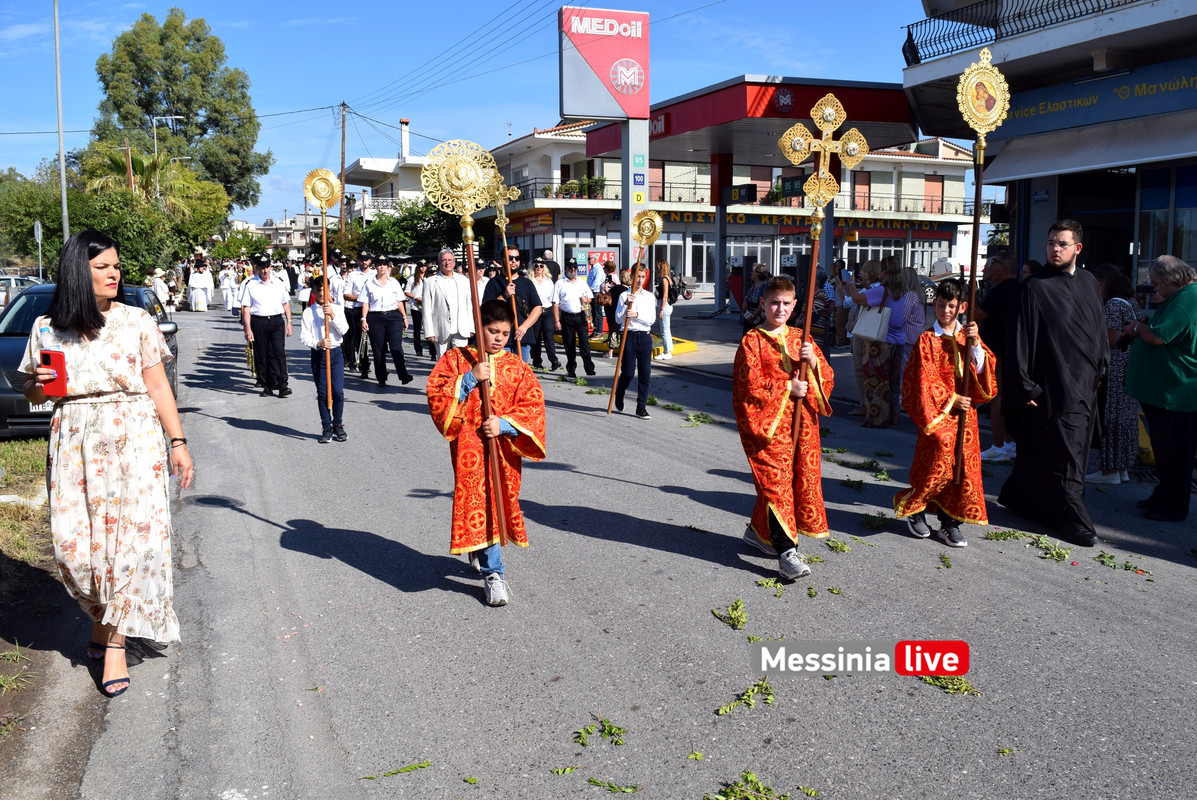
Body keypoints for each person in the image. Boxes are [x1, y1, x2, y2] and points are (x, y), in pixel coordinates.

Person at [21, 230, 193, 697]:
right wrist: (36, 382)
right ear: (79, 271)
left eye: (116, 265)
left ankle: (115, 643)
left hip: (134, 437)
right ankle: (103, 623)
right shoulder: (45, 328)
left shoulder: (137, 321)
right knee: (74, 550)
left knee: (130, 545)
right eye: (103, 267)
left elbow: (158, 387)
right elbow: (38, 393)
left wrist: (177, 441)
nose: (114, 273)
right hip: (74, 441)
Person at [426, 299, 547, 606]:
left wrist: (505, 425)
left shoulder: (517, 367)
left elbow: (533, 408)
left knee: (499, 502)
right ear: (479, 328)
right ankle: (495, 574)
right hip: (468, 449)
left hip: (504, 452)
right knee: (482, 504)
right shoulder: (457, 358)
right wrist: (469, 379)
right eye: (492, 331)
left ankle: (479, 548)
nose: (497, 338)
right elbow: (437, 393)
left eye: (504, 333)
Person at [999, 220, 1108, 546]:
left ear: (1077, 248)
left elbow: (1098, 328)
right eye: (1050, 243)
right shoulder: (1035, 287)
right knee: (1065, 453)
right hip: (1049, 385)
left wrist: (1102, 367)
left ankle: (1024, 501)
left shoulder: (1088, 282)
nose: (1054, 249)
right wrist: (1022, 386)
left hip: (1085, 385)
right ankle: (1072, 519)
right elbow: (1017, 340)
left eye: (1062, 243)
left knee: (1055, 450)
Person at [732, 276, 835, 581]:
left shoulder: (802, 338)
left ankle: (757, 533)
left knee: (793, 482)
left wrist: (814, 362)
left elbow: (827, 380)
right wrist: (787, 386)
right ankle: (786, 552)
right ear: (763, 303)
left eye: (786, 303)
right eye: (773, 302)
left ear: (794, 305)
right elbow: (748, 387)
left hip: (802, 425)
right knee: (776, 485)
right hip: (768, 428)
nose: (779, 308)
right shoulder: (752, 340)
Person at [893, 279, 996, 547]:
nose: (945, 311)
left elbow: (985, 370)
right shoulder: (927, 340)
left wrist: (975, 346)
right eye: (940, 305)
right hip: (936, 414)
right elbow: (921, 379)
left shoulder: (968, 336)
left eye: (951, 306)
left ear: (962, 306)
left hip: (966, 417)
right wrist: (952, 398)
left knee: (962, 470)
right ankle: (915, 507)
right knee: (936, 460)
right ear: (934, 304)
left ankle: (950, 521)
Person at [1121, 255, 1197, 522]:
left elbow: (1158, 336)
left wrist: (1137, 327)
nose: (1154, 289)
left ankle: (1173, 505)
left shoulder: (1188, 299)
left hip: (1175, 392)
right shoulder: (1181, 297)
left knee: (1175, 452)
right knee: (1165, 450)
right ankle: (1164, 494)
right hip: (1165, 390)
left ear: (1169, 279)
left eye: (1155, 283)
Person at [1087, 263, 1141, 484]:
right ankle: (1121, 468)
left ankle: (1109, 470)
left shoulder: (1112, 305)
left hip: (1115, 368)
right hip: (1129, 368)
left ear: (1103, 282)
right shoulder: (1131, 302)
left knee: (1110, 418)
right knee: (1126, 419)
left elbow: (1112, 341)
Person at [845, 256, 907, 428]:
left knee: (875, 380)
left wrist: (850, 283)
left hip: (881, 341)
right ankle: (892, 416)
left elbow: (857, 299)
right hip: (898, 341)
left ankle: (877, 418)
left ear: (884, 271)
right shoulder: (900, 290)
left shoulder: (881, 290)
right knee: (893, 382)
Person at [975, 251, 1020, 462]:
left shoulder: (1001, 292)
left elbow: (976, 315)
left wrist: (969, 297)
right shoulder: (1018, 290)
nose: (987, 269)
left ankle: (999, 445)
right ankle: (1009, 442)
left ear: (1003, 268)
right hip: (1010, 351)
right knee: (1005, 398)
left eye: (992, 264)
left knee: (997, 398)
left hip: (998, 353)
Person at [300, 275, 350, 443]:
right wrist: (318, 343)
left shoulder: (337, 308)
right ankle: (326, 427)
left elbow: (344, 331)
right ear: (313, 292)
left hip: (335, 354)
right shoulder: (308, 312)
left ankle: (338, 425)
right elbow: (304, 337)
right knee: (322, 393)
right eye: (318, 290)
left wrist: (333, 316)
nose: (322, 293)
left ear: (329, 290)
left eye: (324, 289)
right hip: (319, 355)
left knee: (337, 391)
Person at [240, 253, 293, 397]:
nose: (265, 270)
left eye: (267, 267)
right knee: (262, 355)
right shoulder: (251, 284)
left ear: (271, 267)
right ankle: (268, 385)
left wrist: (289, 322)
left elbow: (286, 303)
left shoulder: (278, 283)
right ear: (257, 268)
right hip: (259, 322)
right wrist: (248, 329)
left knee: (279, 353)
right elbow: (246, 308)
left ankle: (283, 385)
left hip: (276, 321)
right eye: (262, 267)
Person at [482, 246, 542, 363]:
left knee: (518, 376)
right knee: (502, 376)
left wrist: (524, 327)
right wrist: (504, 296)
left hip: (521, 339)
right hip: (500, 340)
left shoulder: (527, 283)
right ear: (501, 261)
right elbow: (487, 310)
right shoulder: (493, 283)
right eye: (510, 258)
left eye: (517, 258)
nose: (514, 261)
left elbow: (538, 308)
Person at [360, 258, 414, 388]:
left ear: (388, 267)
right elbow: (365, 303)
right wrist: (363, 319)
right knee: (379, 349)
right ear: (375, 267)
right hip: (376, 317)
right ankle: (381, 376)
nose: (382, 267)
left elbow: (400, 301)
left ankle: (403, 374)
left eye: (384, 264)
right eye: (379, 265)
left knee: (396, 347)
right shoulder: (369, 283)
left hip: (393, 317)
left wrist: (404, 317)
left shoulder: (393, 282)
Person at [614, 265, 656, 419]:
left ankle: (641, 406)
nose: (640, 280)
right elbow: (618, 319)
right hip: (628, 336)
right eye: (637, 276)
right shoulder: (624, 295)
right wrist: (626, 306)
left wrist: (637, 314)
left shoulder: (649, 296)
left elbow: (651, 319)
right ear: (632, 277)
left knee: (645, 374)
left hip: (644, 336)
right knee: (629, 372)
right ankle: (620, 390)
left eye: (642, 277)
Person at [422, 248, 476, 360]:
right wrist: (429, 332)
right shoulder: (430, 282)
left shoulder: (463, 280)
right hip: (440, 329)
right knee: (443, 363)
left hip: (460, 328)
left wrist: (471, 327)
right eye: (444, 260)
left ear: (454, 263)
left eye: (450, 260)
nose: (447, 263)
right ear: (439, 263)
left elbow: (468, 305)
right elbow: (426, 309)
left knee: (462, 361)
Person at [551, 261, 596, 379]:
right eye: (570, 268)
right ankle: (571, 369)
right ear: (565, 269)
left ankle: (589, 368)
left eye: (574, 268)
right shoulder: (560, 283)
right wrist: (557, 320)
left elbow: (590, 298)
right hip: (567, 317)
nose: (572, 270)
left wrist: (585, 299)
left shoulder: (581, 282)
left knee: (584, 343)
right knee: (569, 344)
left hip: (580, 316)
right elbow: (555, 303)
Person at [341, 251, 374, 377]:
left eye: (366, 259)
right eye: (361, 259)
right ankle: (364, 367)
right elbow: (346, 295)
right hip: (358, 309)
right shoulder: (352, 275)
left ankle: (380, 367)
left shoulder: (375, 274)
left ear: (370, 261)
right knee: (362, 340)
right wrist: (362, 298)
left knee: (377, 341)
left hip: (374, 310)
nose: (363, 262)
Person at [528, 259, 560, 370]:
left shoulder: (548, 281)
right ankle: (537, 361)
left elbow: (552, 298)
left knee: (548, 337)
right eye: (536, 266)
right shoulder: (530, 281)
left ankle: (554, 360)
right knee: (536, 337)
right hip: (535, 310)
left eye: (541, 266)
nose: (539, 268)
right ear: (533, 268)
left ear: (544, 268)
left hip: (547, 310)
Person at [404, 263, 428, 359]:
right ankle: (418, 349)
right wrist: (415, 298)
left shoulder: (428, 278)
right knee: (417, 329)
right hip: (416, 306)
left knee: (428, 327)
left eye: (424, 266)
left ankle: (432, 351)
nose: (423, 268)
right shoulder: (412, 279)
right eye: (421, 266)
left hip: (427, 305)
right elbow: (406, 291)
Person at [740, 263, 770, 336]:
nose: (751, 273)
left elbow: (762, 301)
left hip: (757, 317)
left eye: (753, 271)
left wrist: (754, 315)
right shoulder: (753, 285)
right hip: (749, 315)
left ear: (758, 274)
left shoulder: (764, 285)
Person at [654, 259, 675, 361]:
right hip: (668, 306)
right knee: (667, 329)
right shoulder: (669, 278)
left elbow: (665, 295)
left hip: (665, 306)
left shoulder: (664, 280)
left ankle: (667, 352)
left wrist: (661, 309)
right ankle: (668, 350)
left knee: (664, 330)